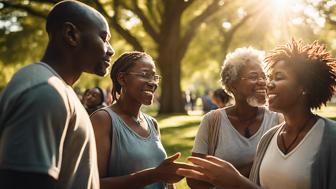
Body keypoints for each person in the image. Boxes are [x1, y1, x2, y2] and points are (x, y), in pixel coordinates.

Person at [177, 40, 336, 189]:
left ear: (304, 87)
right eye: (266, 77)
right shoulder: (269, 138)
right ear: (232, 85)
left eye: (276, 77)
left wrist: (235, 179)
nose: (266, 83)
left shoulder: (330, 137)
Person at [0, 1, 115, 189]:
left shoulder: (59, 89)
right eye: (103, 38)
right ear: (71, 35)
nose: (111, 49)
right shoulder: (44, 93)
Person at [90, 51, 186, 189]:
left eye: (154, 77)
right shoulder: (103, 120)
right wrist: (154, 175)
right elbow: (93, 184)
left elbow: (164, 179)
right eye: (145, 75)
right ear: (122, 79)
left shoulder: (152, 123)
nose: (153, 83)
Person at [188, 47, 282, 188]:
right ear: (232, 85)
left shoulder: (278, 121)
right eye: (253, 76)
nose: (262, 81)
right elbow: (193, 179)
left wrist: (230, 176)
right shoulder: (212, 121)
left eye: (264, 76)